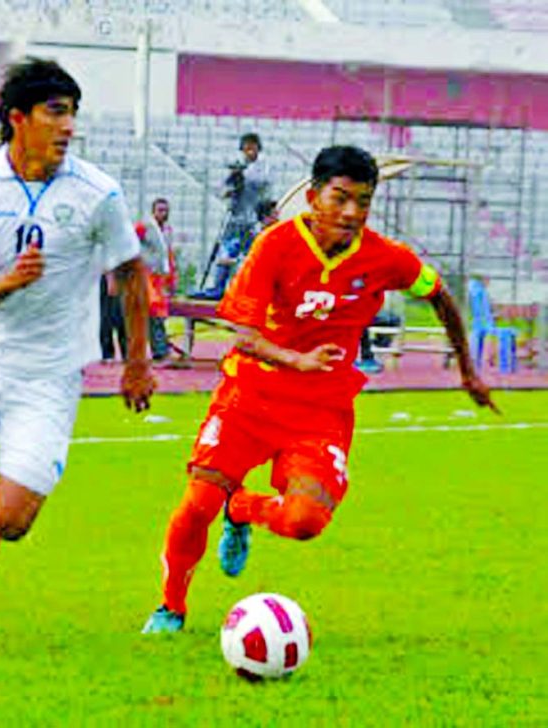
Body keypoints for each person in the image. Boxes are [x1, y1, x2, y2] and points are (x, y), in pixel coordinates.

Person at [142, 146, 497, 634]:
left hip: (322, 412)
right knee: (194, 506)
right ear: (312, 197)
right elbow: (243, 335)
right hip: (250, 396)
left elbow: (439, 294)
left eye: (363, 201)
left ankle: (242, 507)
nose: (352, 212)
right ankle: (170, 608)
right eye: (341, 198)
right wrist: (297, 360)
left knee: (305, 521)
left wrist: (467, 370)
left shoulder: (384, 257)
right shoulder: (274, 245)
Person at [0, 58, 155, 650]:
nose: (68, 125)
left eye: (72, 112)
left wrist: (137, 361)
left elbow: (130, 271)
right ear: (17, 119)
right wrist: (9, 283)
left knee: (13, 524)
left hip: (48, 373)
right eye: (55, 112)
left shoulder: (98, 193)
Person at [209, 133, 272, 298]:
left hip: (253, 220)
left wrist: (241, 176)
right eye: (245, 148)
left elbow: (261, 182)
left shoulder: (263, 166)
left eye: (252, 148)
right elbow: (221, 190)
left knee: (252, 257)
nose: (249, 152)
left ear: (258, 148)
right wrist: (232, 183)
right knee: (226, 252)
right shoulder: (239, 167)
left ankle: (250, 290)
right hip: (235, 218)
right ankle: (218, 288)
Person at [136, 197, 175, 361]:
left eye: (165, 210)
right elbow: (129, 241)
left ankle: (160, 348)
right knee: (154, 312)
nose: (163, 214)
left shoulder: (167, 230)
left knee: (159, 314)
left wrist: (171, 278)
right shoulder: (144, 226)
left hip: (161, 277)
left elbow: (169, 254)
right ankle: (160, 350)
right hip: (147, 275)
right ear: (153, 211)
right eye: (160, 210)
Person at [99, 271, 127, 362]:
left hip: (120, 274)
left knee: (121, 315)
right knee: (108, 316)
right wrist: (110, 278)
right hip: (110, 275)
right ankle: (108, 353)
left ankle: (125, 352)